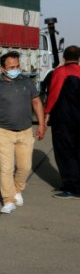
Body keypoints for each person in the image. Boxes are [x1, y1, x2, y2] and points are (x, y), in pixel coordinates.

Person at [0, 50, 46, 214]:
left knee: (25, 167)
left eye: (17, 66)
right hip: (4, 133)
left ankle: (17, 190)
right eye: (11, 67)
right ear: (3, 68)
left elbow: (37, 102)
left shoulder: (27, 82)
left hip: (25, 132)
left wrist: (42, 124)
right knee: (6, 169)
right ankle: (8, 200)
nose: (15, 69)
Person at [44, 45, 80, 199]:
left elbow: (53, 94)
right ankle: (72, 184)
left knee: (65, 153)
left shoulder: (61, 72)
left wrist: (46, 113)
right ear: (79, 58)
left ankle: (73, 188)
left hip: (64, 121)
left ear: (64, 57)